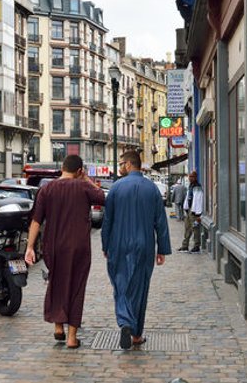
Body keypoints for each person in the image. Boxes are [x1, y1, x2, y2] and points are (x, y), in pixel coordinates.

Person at [25, 155, 105, 349]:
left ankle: (58, 327)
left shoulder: (47, 189)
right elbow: (103, 198)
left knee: (56, 283)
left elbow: (36, 220)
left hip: (53, 246)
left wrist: (29, 247)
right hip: (79, 246)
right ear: (79, 171)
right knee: (77, 287)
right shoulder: (83, 187)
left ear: (62, 167)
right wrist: (86, 179)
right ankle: (71, 338)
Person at [101, 150, 172, 350]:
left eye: (121, 163)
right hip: (144, 245)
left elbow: (107, 221)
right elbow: (161, 221)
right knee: (140, 288)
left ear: (130, 164)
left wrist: (105, 245)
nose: (120, 167)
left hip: (118, 244)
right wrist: (162, 249)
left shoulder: (116, 188)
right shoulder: (152, 189)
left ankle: (124, 321)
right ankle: (136, 334)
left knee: (121, 285)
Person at [178, 171, 203, 252]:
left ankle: (196, 246)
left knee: (195, 229)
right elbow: (188, 198)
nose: (190, 178)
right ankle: (185, 245)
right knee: (187, 228)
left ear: (195, 177)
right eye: (189, 176)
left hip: (194, 211)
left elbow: (198, 200)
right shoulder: (190, 186)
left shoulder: (197, 187)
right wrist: (186, 208)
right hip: (189, 210)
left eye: (192, 177)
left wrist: (198, 214)